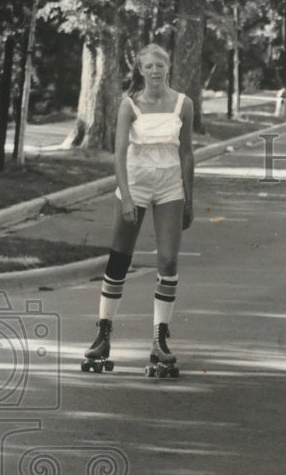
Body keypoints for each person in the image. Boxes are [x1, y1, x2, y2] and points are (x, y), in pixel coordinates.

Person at [81, 43, 194, 378]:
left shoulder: (183, 104)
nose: (155, 71)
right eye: (149, 66)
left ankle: (160, 338)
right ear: (140, 70)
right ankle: (103, 333)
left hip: (170, 184)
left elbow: (186, 154)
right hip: (135, 183)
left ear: (168, 67)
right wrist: (127, 198)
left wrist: (189, 198)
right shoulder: (129, 105)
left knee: (169, 260)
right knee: (120, 257)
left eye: (160, 65)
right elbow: (118, 155)